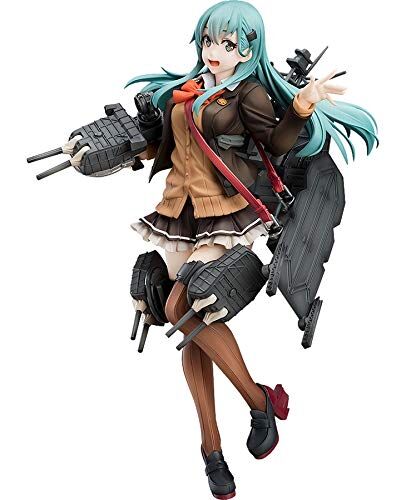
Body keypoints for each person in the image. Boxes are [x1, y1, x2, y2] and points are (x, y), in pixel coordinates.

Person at [123, 1, 378, 498]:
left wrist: (301, 107)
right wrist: (126, 149)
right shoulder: (186, 90)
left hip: (223, 212)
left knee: (180, 306)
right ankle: (212, 447)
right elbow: (167, 148)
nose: (214, 51)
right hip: (176, 212)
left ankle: (258, 403)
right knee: (191, 329)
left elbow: (276, 144)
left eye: (228, 43)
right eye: (209, 41)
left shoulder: (249, 92)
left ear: (249, 48)